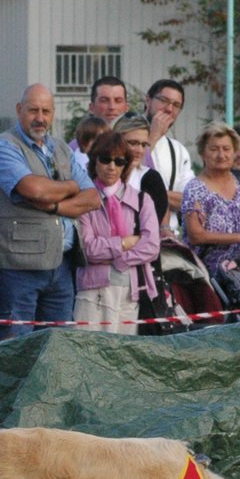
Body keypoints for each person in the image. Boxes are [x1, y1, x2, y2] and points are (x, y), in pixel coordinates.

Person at [0, 83, 99, 341]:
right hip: (17, 268)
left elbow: (92, 198)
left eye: (46, 111)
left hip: (62, 265)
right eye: (33, 110)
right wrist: (70, 186)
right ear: (19, 109)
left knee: (56, 353)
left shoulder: (61, 148)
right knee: (13, 353)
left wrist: (55, 205)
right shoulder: (2, 147)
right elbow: (33, 189)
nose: (40, 118)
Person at [73, 130, 160, 335]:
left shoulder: (141, 199)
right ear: (95, 161)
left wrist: (118, 261)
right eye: (105, 159)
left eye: (119, 161)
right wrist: (125, 243)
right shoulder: (84, 199)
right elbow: (87, 249)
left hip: (131, 292)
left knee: (122, 358)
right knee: (87, 353)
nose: (112, 166)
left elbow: (152, 247)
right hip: (92, 290)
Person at [181, 122, 240, 277]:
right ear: (202, 153)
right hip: (208, 277)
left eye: (226, 149)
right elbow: (196, 235)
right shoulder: (195, 189)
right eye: (214, 149)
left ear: (234, 153)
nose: (221, 155)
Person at [143, 79, 192, 232]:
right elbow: (123, 181)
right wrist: (153, 136)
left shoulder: (177, 150)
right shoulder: (124, 135)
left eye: (176, 105)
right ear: (148, 100)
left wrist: (151, 194)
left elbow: (189, 200)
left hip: (168, 236)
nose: (169, 109)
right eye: (164, 101)